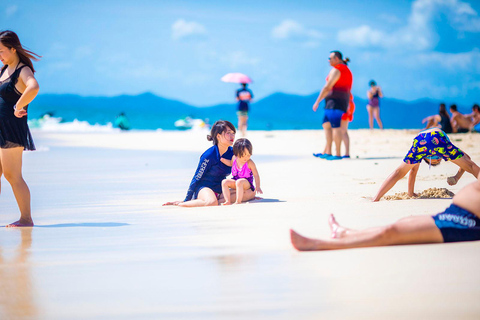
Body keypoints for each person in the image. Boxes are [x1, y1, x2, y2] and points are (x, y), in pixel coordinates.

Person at [290, 171, 480, 251]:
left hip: (464, 223)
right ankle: (345, 233)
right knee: (401, 224)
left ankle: (319, 245)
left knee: (392, 233)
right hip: (454, 213)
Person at [163, 120, 255, 207]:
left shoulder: (233, 153)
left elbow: (245, 170)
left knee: (250, 193)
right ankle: (182, 204)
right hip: (205, 188)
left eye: (233, 133)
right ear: (218, 136)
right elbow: (197, 177)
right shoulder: (209, 155)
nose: (232, 136)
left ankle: (217, 201)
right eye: (228, 133)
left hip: (221, 188)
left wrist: (248, 188)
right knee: (212, 202)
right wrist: (186, 199)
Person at [0, 30, 40, 227]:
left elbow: (33, 87)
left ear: (13, 49)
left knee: (12, 175)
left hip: (11, 128)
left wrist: (19, 105)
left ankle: (26, 218)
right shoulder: (4, 69)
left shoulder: (22, 70)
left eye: (1, 51)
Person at [372, 128, 479, 202]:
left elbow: (412, 172)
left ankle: (376, 198)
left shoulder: (420, 155)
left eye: (437, 158)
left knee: (399, 172)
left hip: (420, 140)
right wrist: (456, 177)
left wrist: (411, 193)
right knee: (470, 166)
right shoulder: (444, 148)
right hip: (438, 137)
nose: (437, 158)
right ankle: (376, 198)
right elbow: (468, 160)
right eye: (437, 158)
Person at [312, 51, 353, 161]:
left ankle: (338, 153)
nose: (328, 60)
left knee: (336, 128)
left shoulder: (338, 69)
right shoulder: (345, 70)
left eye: (330, 58)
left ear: (337, 58)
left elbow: (327, 87)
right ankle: (328, 151)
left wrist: (317, 101)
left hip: (336, 103)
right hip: (334, 103)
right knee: (327, 125)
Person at [220, 138, 262, 205]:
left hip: (246, 183)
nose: (246, 158)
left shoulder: (250, 163)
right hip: (236, 180)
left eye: (248, 155)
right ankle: (227, 201)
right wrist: (223, 160)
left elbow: (256, 175)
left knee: (239, 182)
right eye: (243, 155)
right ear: (236, 154)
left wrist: (258, 186)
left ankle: (238, 201)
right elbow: (230, 163)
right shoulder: (234, 158)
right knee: (224, 182)